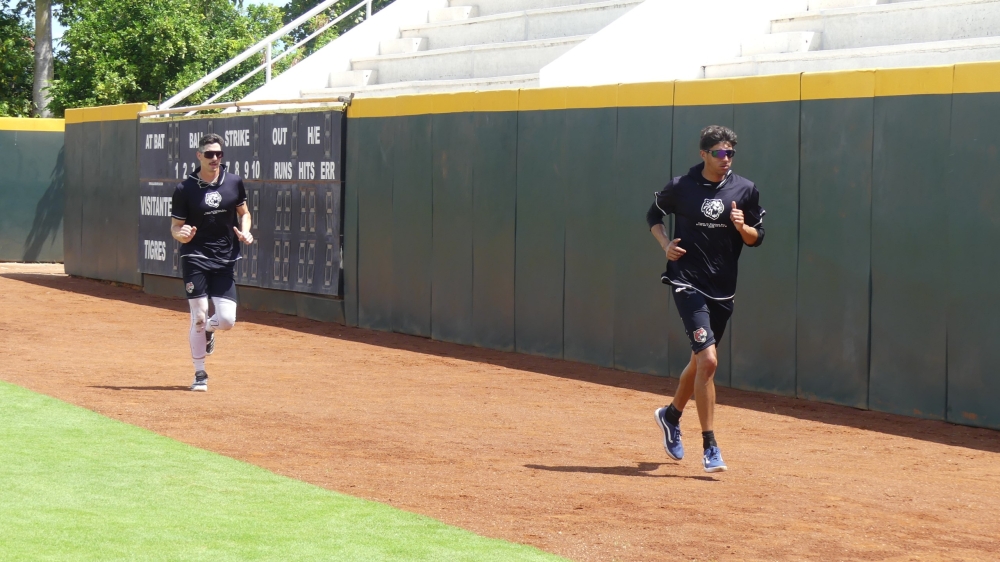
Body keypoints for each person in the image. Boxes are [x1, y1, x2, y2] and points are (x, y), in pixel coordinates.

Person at [646, 125, 765, 472]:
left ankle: (670, 415)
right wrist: (664, 244)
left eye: (730, 153)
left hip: (723, 288)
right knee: (709, 361)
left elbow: (758, 238)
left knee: (700, 362)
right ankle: (710, 445)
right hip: (687, 280)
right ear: (704, 154)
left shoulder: (745, 190)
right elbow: (653, 215)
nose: (726, 159)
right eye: (719, 153)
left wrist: (743, 228)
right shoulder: (681, 187)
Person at [170, 133, 253, 391]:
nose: (215, 158)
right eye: (209, 154)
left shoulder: (233, 182)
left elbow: (244, 212)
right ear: (199, 156)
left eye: (219, 154)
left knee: (226, 320)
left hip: (225, 257)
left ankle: (209, 330)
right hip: (195, 256)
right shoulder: (185, 189)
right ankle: (200, 374)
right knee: (199, 316)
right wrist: (180, 234)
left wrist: (246, 230)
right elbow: (175, 227)